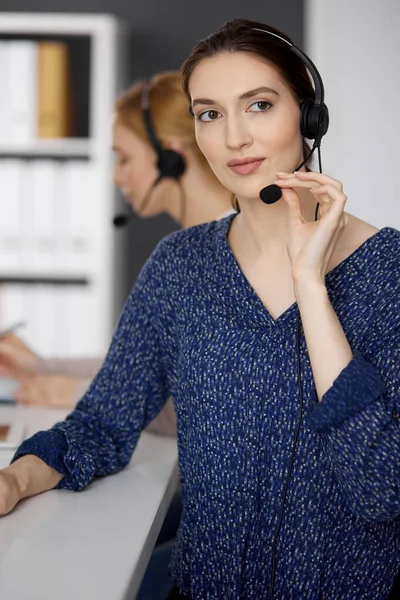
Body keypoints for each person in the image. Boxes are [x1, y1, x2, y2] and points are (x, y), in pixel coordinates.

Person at [0, 17, 399, 600]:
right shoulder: (179, 266)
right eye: (210, 114)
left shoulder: (389, 271)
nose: (234, 137)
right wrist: (14, 479)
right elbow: (103, 422)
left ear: (310, 116)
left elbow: (380, 487)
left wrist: (309, 285)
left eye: (259, 105)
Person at [0, 70, 234, 417]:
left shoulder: (233, 253)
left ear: (170, 157)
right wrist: (41, 365)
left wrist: (76, 392)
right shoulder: (187, 253)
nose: (115, 176)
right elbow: (143, 370)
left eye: (123, 157)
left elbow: (218, 404)